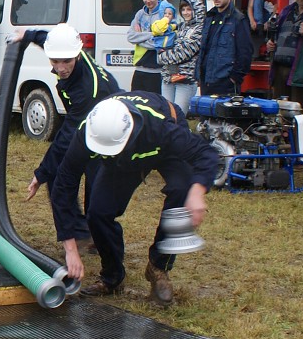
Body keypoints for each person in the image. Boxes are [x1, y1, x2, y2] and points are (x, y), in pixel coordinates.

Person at [51, 92, 219, 305]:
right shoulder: (88, 132)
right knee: (99, 212)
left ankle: (158, 268)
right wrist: (70, 249)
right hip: (124, 159)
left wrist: (197, 193)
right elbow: (63, 184)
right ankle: (112, 277)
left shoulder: (161, 129)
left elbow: (206, 154)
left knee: (182, 190)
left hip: (161, 144)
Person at [15, 24, 121, 244]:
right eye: (55, 61)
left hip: (107, 129)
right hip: (85, 122)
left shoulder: (87, 89)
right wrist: (28, 35)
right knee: (59, 176)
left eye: (66, 62)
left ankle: (99, 237)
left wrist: (40, 173)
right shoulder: (68, 51)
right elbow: (48, 40)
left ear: (77, 55)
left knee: (97, 188)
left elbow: (66, 138)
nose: (61, 68)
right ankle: (79, 231)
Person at [198, 0, 254, 96]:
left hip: (226, 82)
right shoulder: (209, 17)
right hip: (206, 80)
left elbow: (245, 52)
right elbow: (204, 49)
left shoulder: (238, 19)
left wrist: (234, 78)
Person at [157, 0, 205, 113]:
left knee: (178, 115)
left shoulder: (200, 29)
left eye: (189, 9)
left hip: (185, 80)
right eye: (183, 9)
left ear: (197, 10)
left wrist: (161, 57)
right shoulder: (180, 26)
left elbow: (184, 53)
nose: (185, 13)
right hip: (168, 77)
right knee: (166, 114)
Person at [266, 0, 303, 103]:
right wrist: (271, 43)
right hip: (279, 67)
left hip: (300, 72)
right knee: (279, 107)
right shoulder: (286, 11)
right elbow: (276, 33)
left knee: (298, 108)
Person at [127, 0, 167, 93]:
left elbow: (162, 42)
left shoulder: (165, 14)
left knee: (154, 102)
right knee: (135, 101)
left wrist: (140, 38)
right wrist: (152, 34)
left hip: (157, 71)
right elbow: (130, 37)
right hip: (139, 69)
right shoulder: (140, 14)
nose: (148, 1)